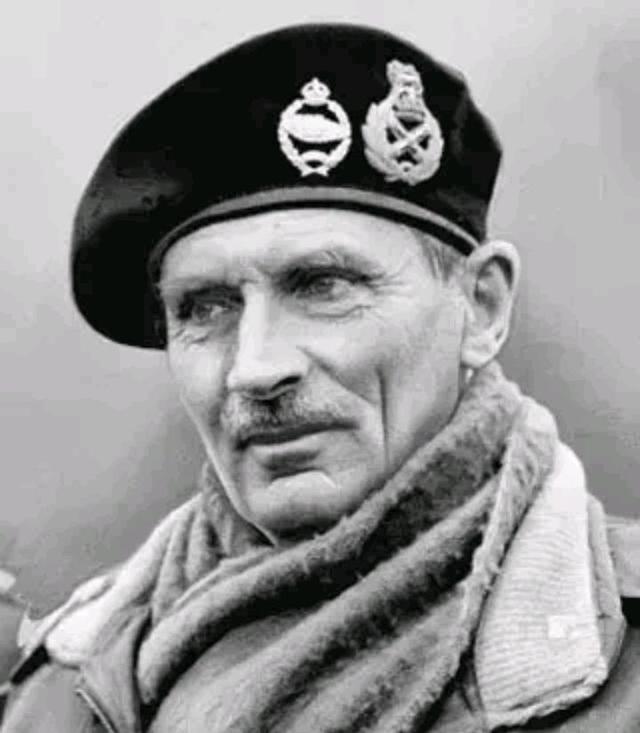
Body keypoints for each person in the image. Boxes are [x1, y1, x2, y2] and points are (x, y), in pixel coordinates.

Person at [2, 22, 640, 733]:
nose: (255, 368)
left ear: (481, 306)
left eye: (323, 284)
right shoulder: (65, 684)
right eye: (205, 307)